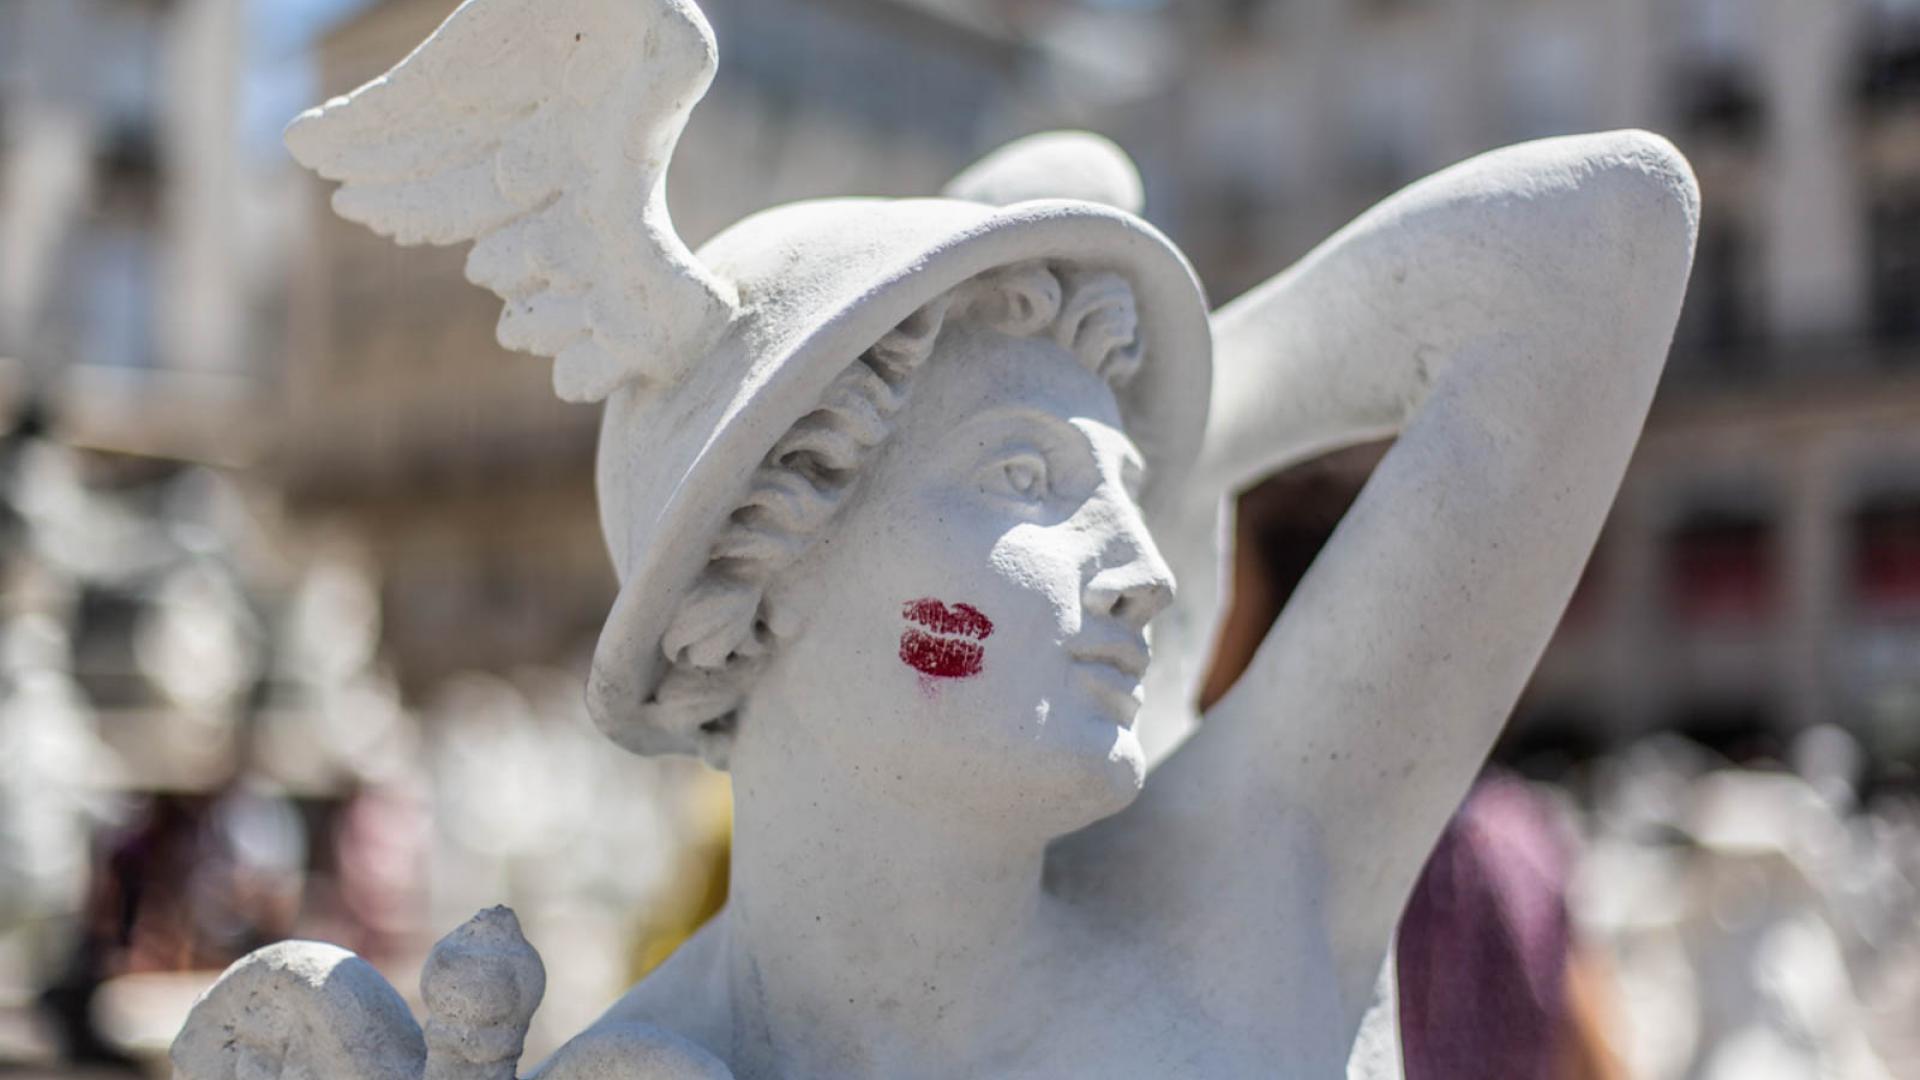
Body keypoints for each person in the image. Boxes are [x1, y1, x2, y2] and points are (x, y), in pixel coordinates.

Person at [181, 0, 1700, 1075]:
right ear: (748, 583)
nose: (1156, 565)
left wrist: (1166, 440)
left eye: (1134, 504)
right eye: (1029, 482)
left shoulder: (1238, 893)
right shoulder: (643, 1073)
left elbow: (1598, 240)